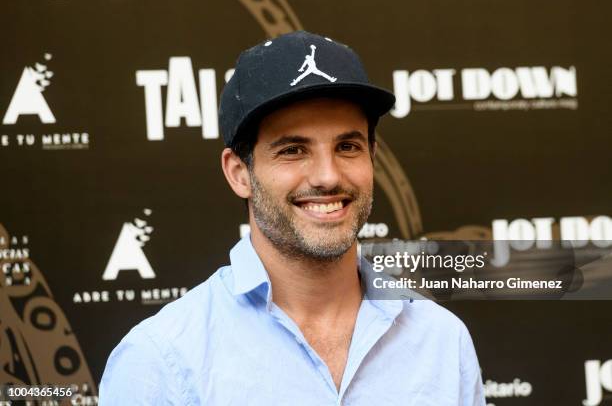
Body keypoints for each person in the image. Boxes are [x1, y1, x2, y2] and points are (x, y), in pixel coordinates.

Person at [99, 30, 485, 405]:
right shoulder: (160, 361)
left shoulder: (442, 341)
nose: (328, 176)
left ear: (372, 157)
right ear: (239, 172)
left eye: (347, 146)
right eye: (293, 150)